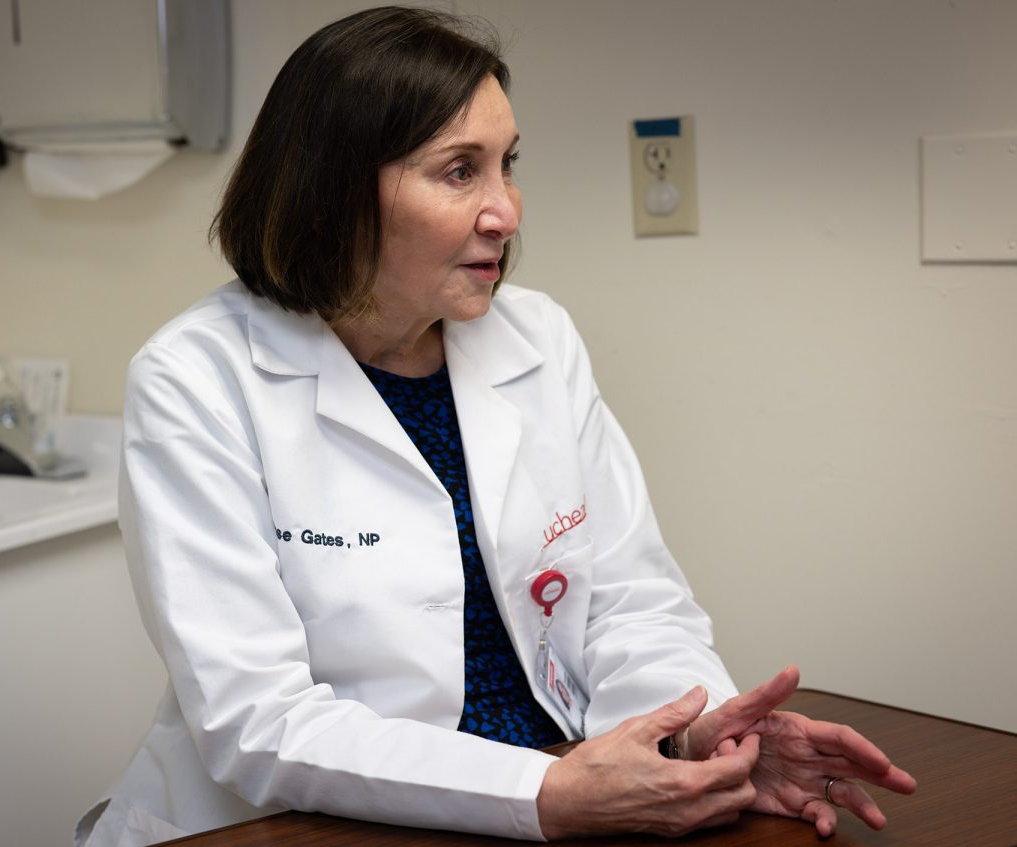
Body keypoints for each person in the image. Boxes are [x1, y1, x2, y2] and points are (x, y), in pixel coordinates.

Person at [76, 7, 916, 846]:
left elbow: (629, 600)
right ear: (334, 191)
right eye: (458, 171)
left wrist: (694, 736)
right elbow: (259, 720)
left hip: (557, 786)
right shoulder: (197, 379)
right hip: (301, 820)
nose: (506, 211)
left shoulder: (537, 337)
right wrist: (544, 790)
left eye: (507, 165)